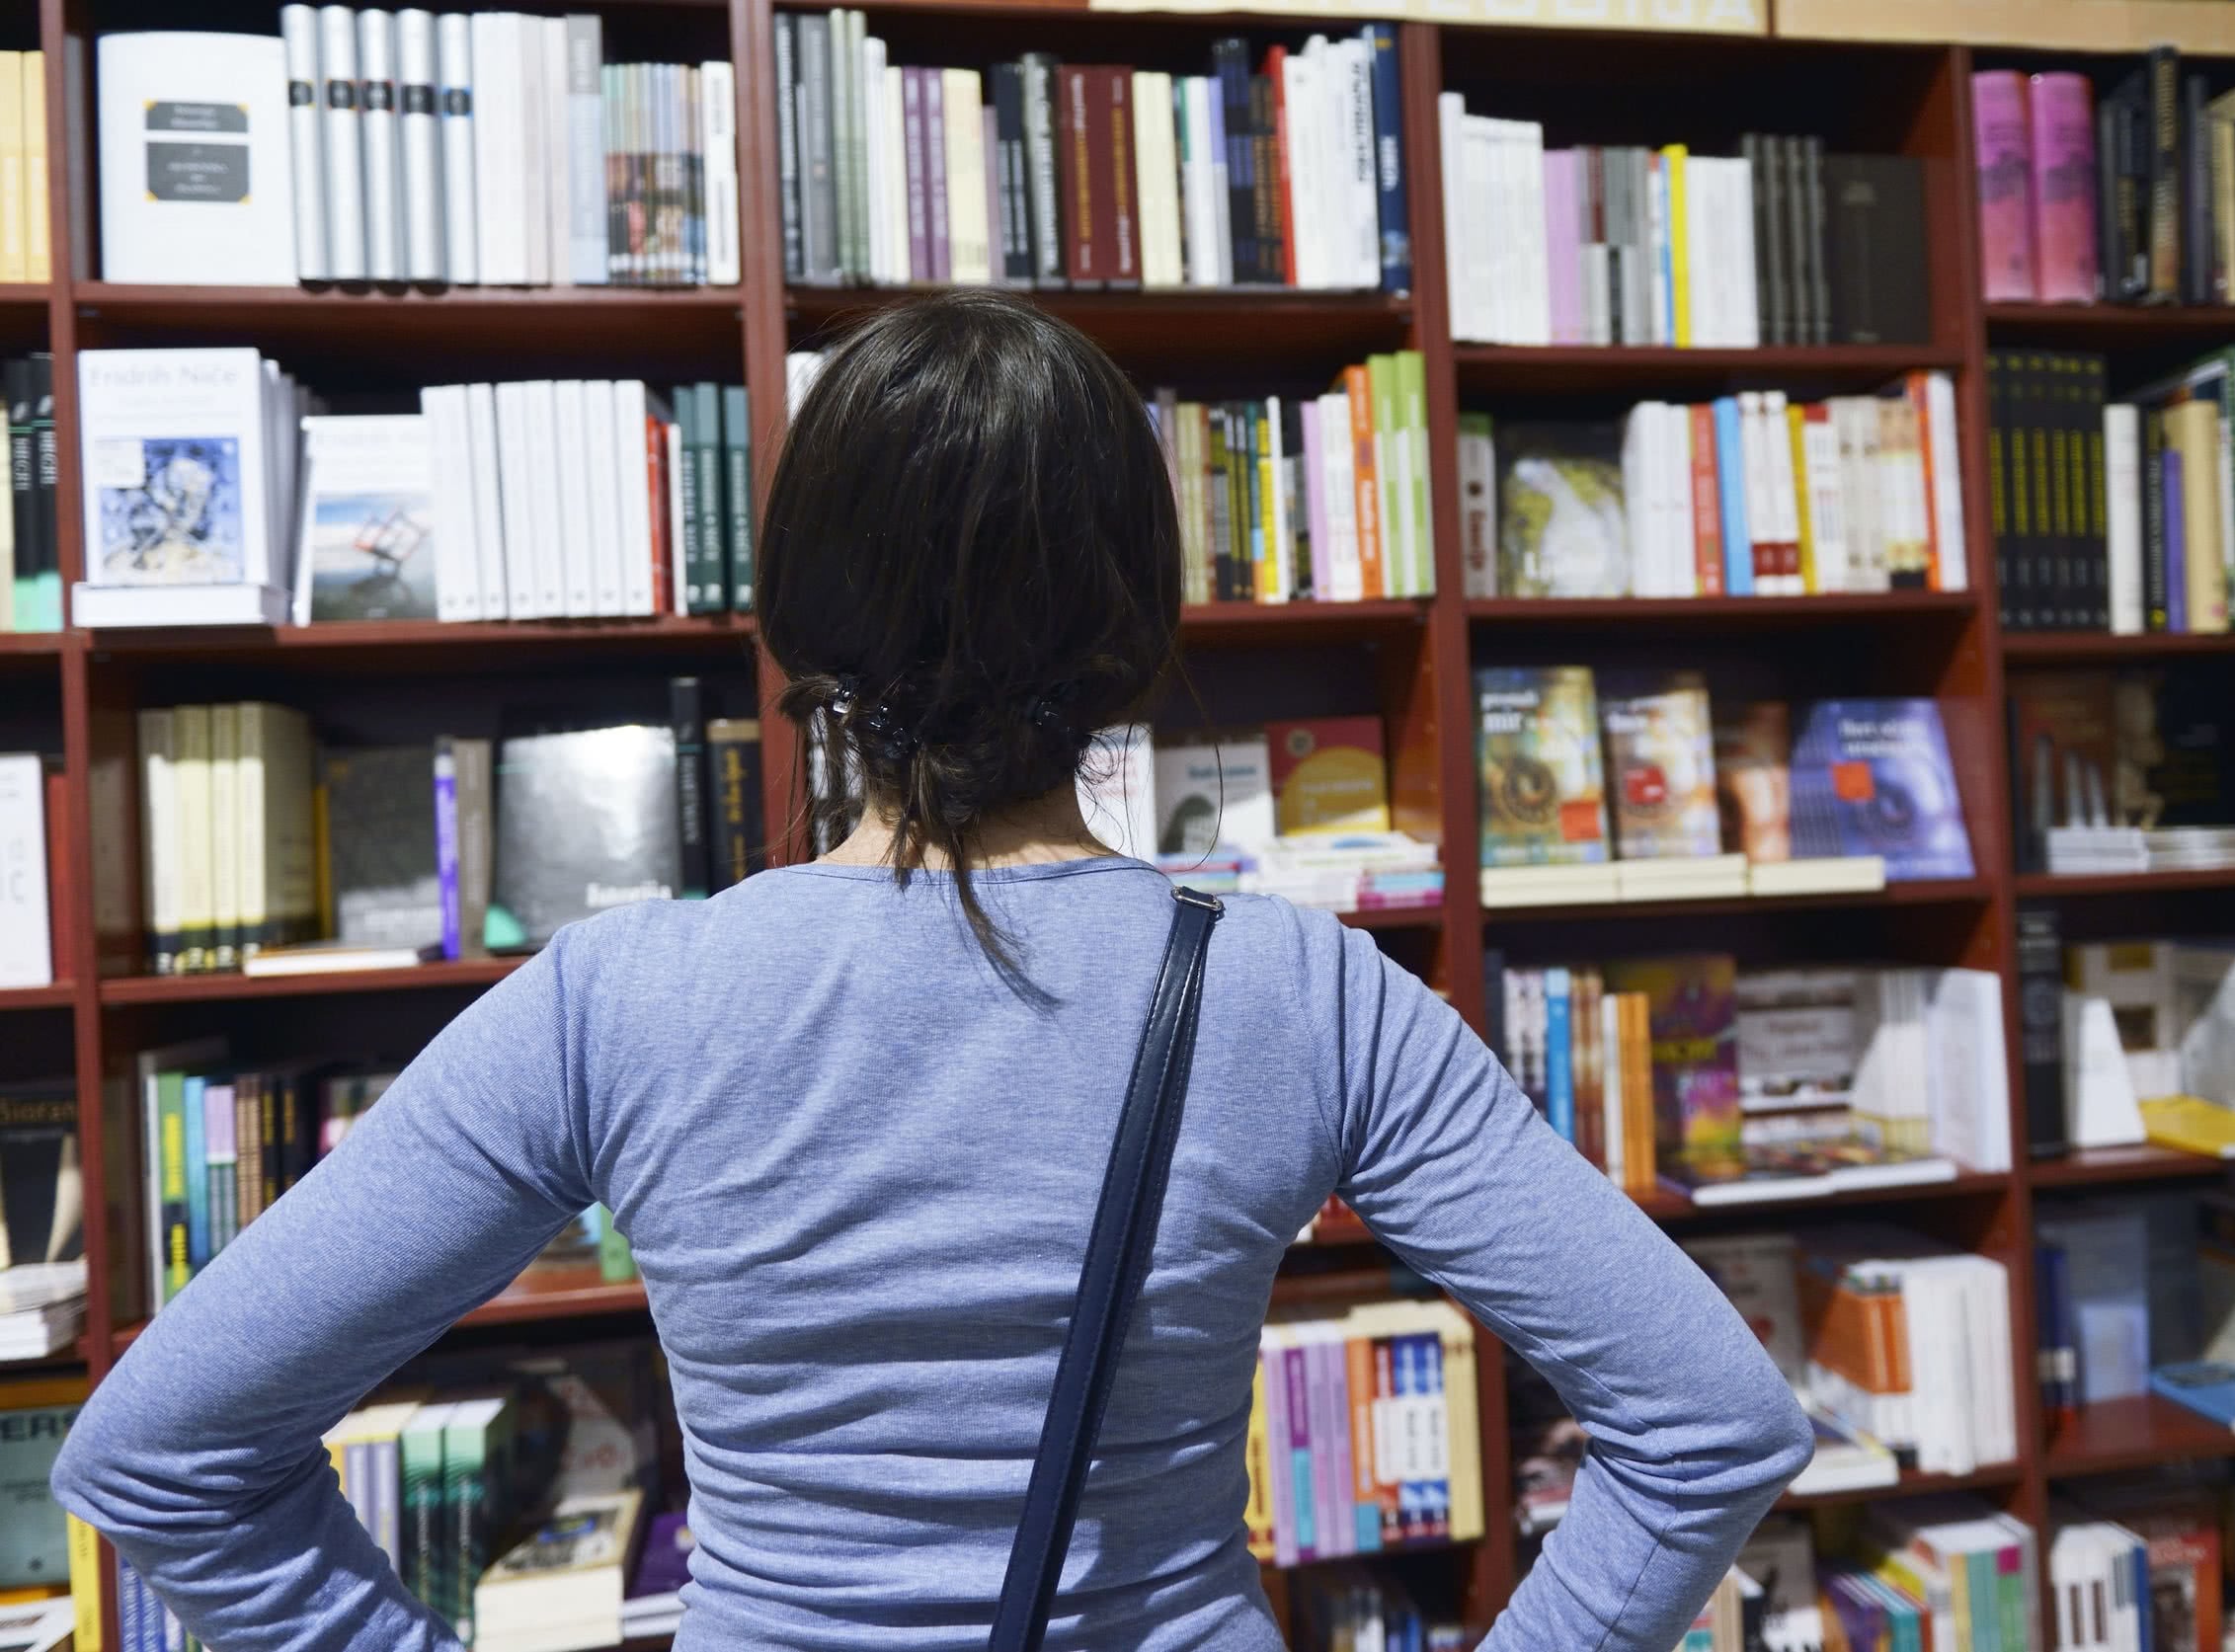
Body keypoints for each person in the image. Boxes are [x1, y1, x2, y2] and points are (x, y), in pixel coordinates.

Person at [53, 291, 1810, 1651]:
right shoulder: (1307, 992)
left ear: (797, 628)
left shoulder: (616, 1003)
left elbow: (161, 1458)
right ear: (1139, 630)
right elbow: (1713, 1424)